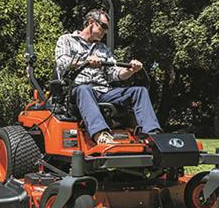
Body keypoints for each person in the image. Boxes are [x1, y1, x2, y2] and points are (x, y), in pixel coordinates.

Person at [55, 9, 161, 144]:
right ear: (91, 22)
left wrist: (131, 70)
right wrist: (85, 62)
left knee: (139, 91)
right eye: (103, 27)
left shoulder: (103, 49)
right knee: (84, 89)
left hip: (104, 92)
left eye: (107, 29)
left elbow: (114, 73)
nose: (105, 32)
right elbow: (62, 63)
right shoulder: (67, 40)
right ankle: (101, 135)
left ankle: (152, 135)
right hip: (77, 91)